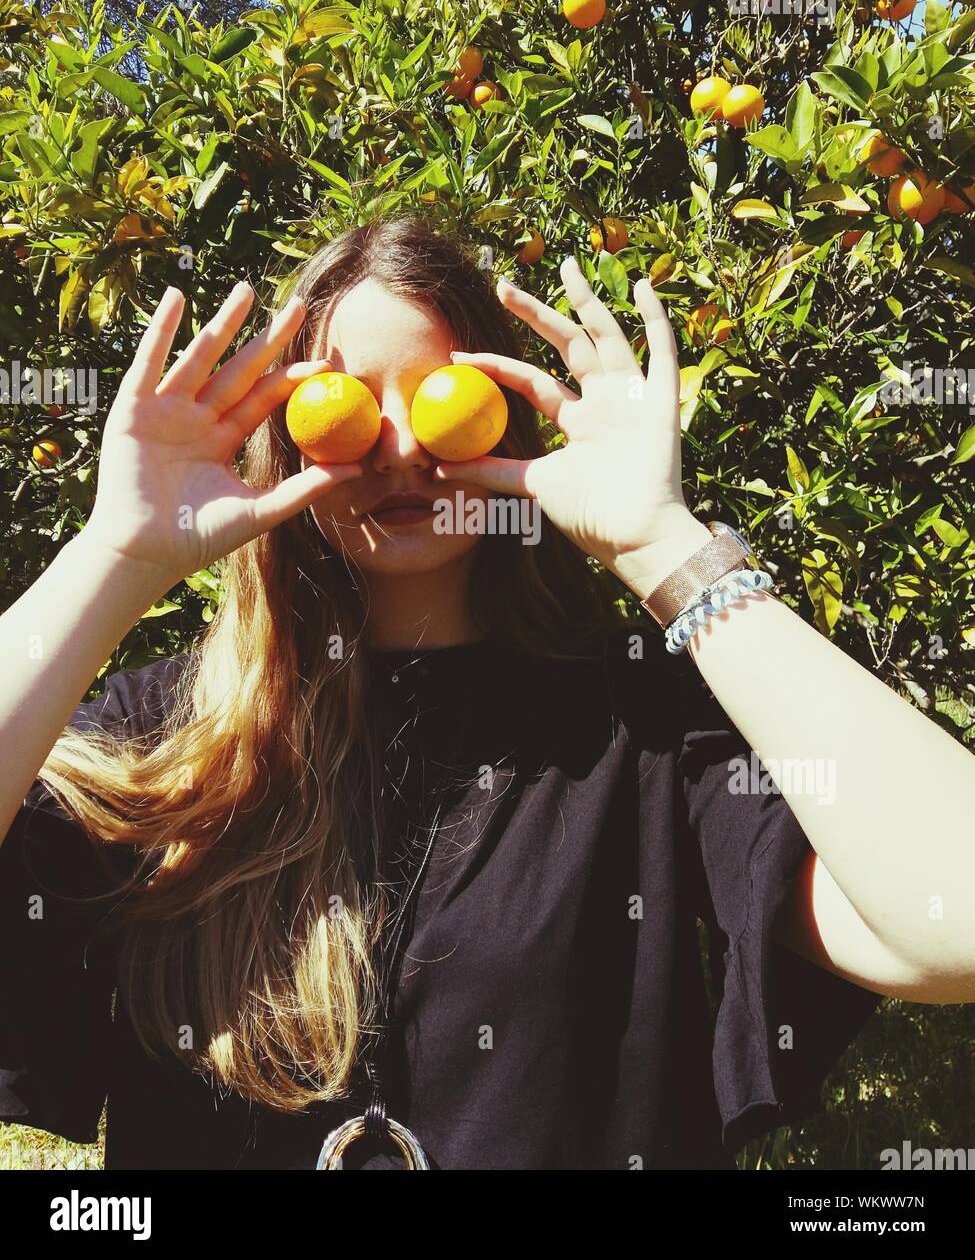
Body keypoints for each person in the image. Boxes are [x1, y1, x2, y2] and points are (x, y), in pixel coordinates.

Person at [1, 215, 972, 1171]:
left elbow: (952, 921)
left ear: (504, 408)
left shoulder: (644, 727)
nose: (396, 446)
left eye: (438, 394)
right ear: (287, 437)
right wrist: (116, 555)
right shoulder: (163, 738)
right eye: (343, 399)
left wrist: (666, 547)